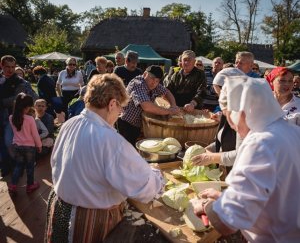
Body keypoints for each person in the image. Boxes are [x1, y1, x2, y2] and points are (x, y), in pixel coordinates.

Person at [45, 74, 165, 243]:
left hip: (60, 207)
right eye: (120, 108)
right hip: (89, 219)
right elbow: (145, 188)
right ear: (112, 104)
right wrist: (158, 177)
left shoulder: (69, 124)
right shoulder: (111, 141)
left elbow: (56, 163)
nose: (120, 113)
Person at [192, 75, 300, 242]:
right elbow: (270, 195)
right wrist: (223, 199)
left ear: (240, 112)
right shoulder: (292, 132)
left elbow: (227, 223)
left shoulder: (260, 143)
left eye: (228, 115)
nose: (231, 123)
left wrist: (206, 207)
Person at [118, 65, 180, 145]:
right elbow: (146, 106)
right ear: (145, 74)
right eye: (152, 78)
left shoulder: (154, 84)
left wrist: (173, 106)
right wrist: (169, 111)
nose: (154, 82)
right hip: (126, 123)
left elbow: (166, 92)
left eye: (157, 80)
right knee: (125, 150)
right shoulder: (138, 84)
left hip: (138, 124)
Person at [0, 55, 38, 176]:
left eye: (12, 67)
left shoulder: (20, 81)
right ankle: (5, 167)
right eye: (7, 67)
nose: (10, 70)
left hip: (11, 117)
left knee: (9, 142)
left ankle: (17, 166)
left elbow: (15, 99)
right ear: (2, 66)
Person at [8, 93, 42, 193]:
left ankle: (13, 184)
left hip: (17, 146)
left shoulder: (11, 118)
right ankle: (30, 185)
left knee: (18, 166)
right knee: (30, 167)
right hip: (29, 148)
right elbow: (35, 135)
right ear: (26, 107)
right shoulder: (30, 119)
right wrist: (39, 145)